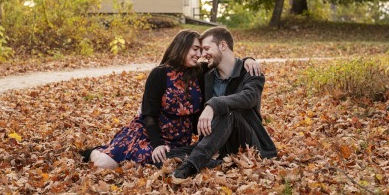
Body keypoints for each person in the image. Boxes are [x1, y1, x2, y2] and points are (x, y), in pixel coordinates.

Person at [82, 29, 261, 169]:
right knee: (103, 165)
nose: (199, 54)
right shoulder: (159, 74)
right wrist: (157, 144)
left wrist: (248, 60)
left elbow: (223, 59)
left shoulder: (199, 72)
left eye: (201, 50)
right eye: (195, 49)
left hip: (178, 140)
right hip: (150, 134)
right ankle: (96, 151)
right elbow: (149, 115)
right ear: (182, 47)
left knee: (145, 165)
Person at [172, 27, 277, 179]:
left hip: (245, 140)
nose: (203, 54)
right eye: (201, 50)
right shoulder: (206, 73)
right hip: (214, 140)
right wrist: (148, 101)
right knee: (164, 156)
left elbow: (250, 97)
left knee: (228, 112)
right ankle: (215, 162)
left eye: (207, 48)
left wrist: (213, 104)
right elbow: (172, 72)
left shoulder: (251, 72)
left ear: (222, 45)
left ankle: (190, 165)